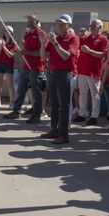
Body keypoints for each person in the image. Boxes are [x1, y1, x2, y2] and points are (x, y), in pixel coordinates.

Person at [39, 14, 79, 144]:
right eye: (57, 24)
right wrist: (42, 43)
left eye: (62, 24)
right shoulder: (55, 39)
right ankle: (54, 129)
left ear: (69, 25)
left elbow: (66, 56)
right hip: (52, 73)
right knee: (54, 104)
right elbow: (43, 55)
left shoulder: (73, 38)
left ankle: (64, 134)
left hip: (64, 74)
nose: (59, 26)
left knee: (64, 105)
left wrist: (55, 42)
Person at [4, 14, 46, 123]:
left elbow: (42, 54)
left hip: (36, 68)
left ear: (37, 22)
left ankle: (37, 115)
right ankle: (16, 111)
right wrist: (22, 48)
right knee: (21, 89)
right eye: (28, 21)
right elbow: (26, 50)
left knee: (36, 92)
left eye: (32, 21)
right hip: (26, 66)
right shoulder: (27, 34)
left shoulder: (41, 34)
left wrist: (26, 52)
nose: (29, 23)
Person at [73, 19, 109, 126]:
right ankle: (82, 113)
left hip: (94, 71)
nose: (91, 27)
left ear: (100, 27)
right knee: (82, 93)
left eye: (94, 25)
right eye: (91, 25)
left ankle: (94, 116)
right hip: (82, 70)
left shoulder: (104, 40)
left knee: (95, 95)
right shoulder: (85, 38)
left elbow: (103, 55)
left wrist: (90, 51)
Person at [0, 25, 17, 109]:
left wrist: (3, 46)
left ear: (11, 32)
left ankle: (12, 102)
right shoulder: (1, 41)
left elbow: (10, 55)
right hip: (0, 64)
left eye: (7, 30)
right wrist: (1, 45)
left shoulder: (14, 43)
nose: (5, 32)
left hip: (9, 65)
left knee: (9, 84)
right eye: (4, 30)